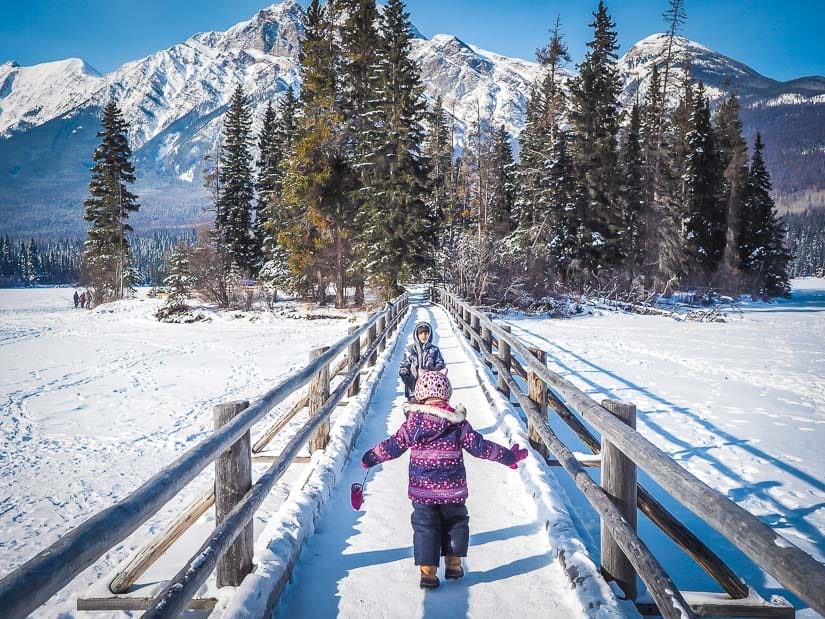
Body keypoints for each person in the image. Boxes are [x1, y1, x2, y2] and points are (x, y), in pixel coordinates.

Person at [361, 371, 528, 590]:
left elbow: (394, 446)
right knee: (456, 521)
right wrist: (508, 456)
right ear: (447, 394)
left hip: (423, 491)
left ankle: (428, 573)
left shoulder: (413, 423)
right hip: (453, 490)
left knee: (425, 526)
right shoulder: (458, 423)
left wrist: (371, 457)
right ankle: (454, 564)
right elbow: (480, 448)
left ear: (420, 395)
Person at [399, 322, 446, 401]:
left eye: (426, 333)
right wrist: (404, 372)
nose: (423, 336)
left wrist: (437, 370)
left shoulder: (434, 350)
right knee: (414, 410)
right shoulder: (410, 350)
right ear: (416, 335)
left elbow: (440, 363)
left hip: (430, 388)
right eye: (421, 333)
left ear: (430, 334)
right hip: (413, 387)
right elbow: (404, 364)